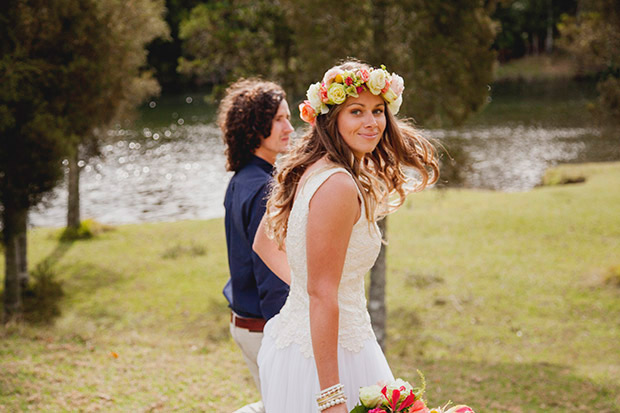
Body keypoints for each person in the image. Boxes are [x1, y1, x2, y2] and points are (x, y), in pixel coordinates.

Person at [253, 61, 439, 413]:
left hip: (305, 343)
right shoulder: (337, 184)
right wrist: (332, 399)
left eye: (378, 111)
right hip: (330, 362)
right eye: (356, 111)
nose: (371, 122)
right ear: (331, 118)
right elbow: (322, 292)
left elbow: (265, 244)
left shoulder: (313, 166)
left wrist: (308, 290)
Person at [218, 78, 294, 413]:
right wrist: (287, 336)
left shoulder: (241, 179)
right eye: (279, 119)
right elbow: (270, 273)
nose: (289, 127)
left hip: (244, 323)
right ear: (255, 126)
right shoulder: (266, 188)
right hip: (264, 329)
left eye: (289, 118)